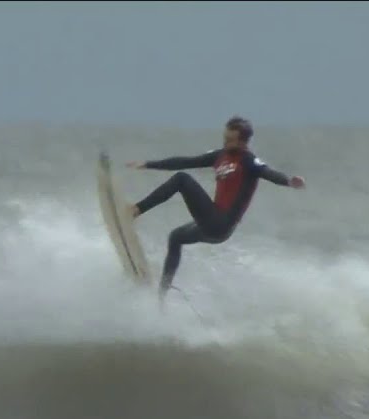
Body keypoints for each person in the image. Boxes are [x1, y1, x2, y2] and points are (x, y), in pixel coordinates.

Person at [125, 116, 305, 300]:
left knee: (181, 179)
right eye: (225, 138)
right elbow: (186, 161)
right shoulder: (220, 156)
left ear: (243, 142)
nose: (226, 143)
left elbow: (269, 173)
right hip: (213, 225)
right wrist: (148, 164)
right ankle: (162, 295)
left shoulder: (249, 161)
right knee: (176, 237)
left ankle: (136, 210)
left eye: (230, 140)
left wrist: (289, 181)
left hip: (221, 224)